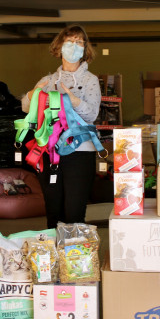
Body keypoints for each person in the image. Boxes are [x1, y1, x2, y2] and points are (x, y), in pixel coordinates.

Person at [20, 24, 101, 229]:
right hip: (50, 152)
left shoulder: (90, 80)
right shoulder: (48, 80)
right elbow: (26, 107)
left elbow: (92, 114)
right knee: (53, 209)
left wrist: (74, 101)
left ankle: (74, 257)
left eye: (79, 42)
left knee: (74, 211)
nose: (74, 46)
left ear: (85, 49)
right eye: (69, 41)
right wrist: (32, 94)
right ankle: (52, 257)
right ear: (59, 47)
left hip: (80, 151)